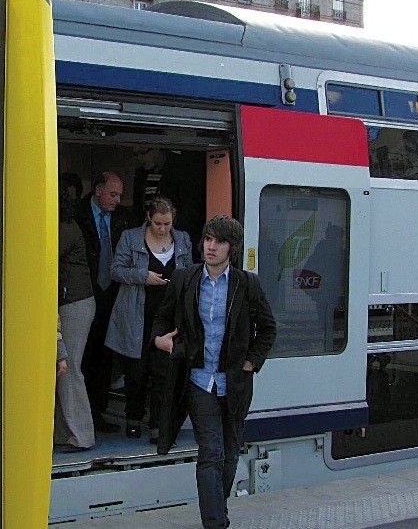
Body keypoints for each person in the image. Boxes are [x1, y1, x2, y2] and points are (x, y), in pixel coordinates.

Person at [151, 215, 277, 529]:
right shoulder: (184, 279)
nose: (211, 246)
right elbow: (161, 319)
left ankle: (216, 512)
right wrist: (160, 340)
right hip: (198, 380)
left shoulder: (248, 284)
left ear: (231, 249)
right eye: (208, 239)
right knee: (211, 453)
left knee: (231, 455)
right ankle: (216, 523)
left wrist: (251, 362)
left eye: (219, 241)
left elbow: (268, 329)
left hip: (234, 384)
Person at [105, 196, 194, 442]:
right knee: (136, 372)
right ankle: (133, 418)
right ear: (148, 218)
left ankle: (158, 425)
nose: (163, 229)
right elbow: (115, 270)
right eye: (158, 224)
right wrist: (142, 276)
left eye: (167, 224)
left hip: (169, 317)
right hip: (137, 314)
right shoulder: (131, 238)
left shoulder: (183, 239)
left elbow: (191, 271)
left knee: (164, 374)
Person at [74, 171, 129, 433]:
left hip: (112, 295)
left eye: (119, 195)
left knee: (104, 356)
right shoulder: (76, 214)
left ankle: (98, 413)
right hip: (83, 293)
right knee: (81, 357)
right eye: (113, 194)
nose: (117, 200)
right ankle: (80, 417)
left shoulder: (122, 219)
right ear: (98, 191)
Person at [56, 185, 96, 452]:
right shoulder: (69, 226)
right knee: (62, 371)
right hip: (76, 302)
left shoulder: (63, 229)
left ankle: (82, 436)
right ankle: (65, 433)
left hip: (74, 303)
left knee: (68, 369)